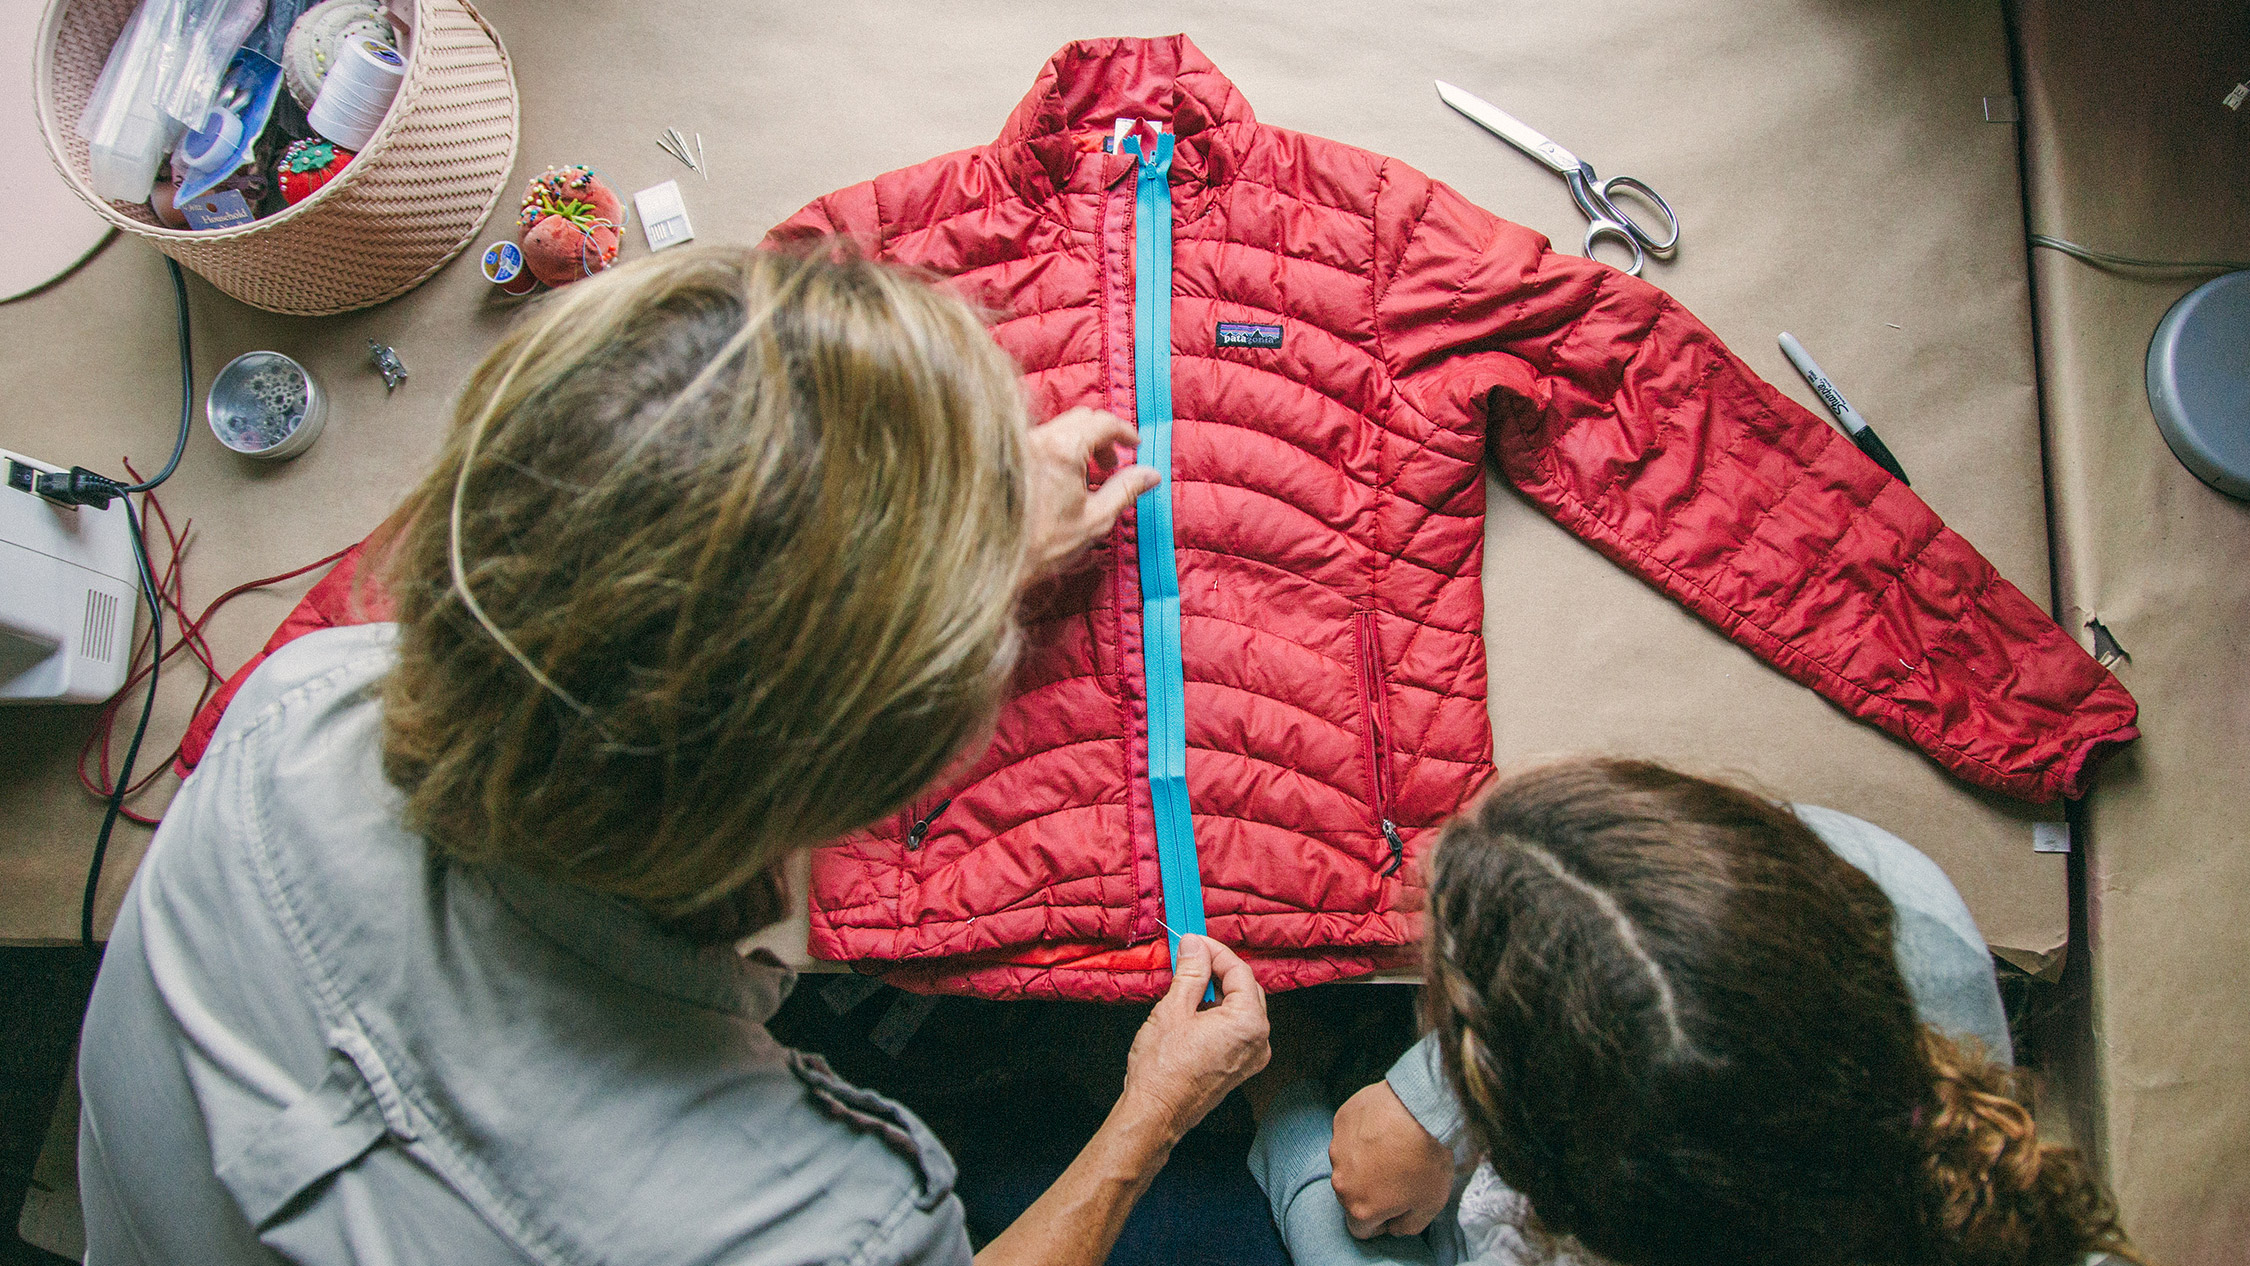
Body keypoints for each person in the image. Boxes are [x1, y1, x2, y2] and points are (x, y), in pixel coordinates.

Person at [75, 244, 1269, 1265]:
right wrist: (1151, 1115)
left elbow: (657, 611)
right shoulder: (823, 1223)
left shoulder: (296, 709)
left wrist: (967, 534)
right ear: (879, 782)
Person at [1249, 759, 2144, 1266]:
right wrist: (1428, 1100)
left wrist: (1280, 1095)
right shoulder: (1910, 916)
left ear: (1553, 1195)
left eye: (1460, 1041)